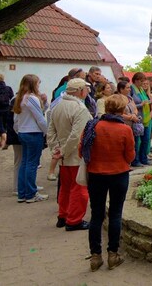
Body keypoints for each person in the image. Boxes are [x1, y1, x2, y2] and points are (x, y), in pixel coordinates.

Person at [82, 94, 135, 272]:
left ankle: (95, 256)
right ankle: (113, 254)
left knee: (96, 215)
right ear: (122, 110)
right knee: (115, 213)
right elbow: (130, 156)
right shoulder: (125, 129)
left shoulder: (92, 126)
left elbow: (82, 150)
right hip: (118, 174)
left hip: (96, 174)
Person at [48, 77, 93, 231]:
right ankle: (74, 220)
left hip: (63, 155)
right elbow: (77, 135)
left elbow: (51, 131)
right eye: (86, 89)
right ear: (80, 91)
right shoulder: (79, 108)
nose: (87, 91)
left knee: (65, 187)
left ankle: (63, 215)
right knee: (79, 187)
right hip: (75, 155)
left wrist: (56, 149)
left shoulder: (58, 106)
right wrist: (63, 151)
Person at [13, 74, 48, 203]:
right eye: (38, 83)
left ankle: (22, 193)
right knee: (32, 164)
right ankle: (31, 193)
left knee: (25, 163)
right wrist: (47, 132)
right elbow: (40, 118)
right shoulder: (31, 98)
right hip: (33, 132)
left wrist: (18, 130)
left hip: (23, 132)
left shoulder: (20, 97)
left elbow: (16, 120)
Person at [130, 73, 152, 165]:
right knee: (137, 141)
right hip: (137, 119)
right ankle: (135, 160)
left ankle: (143, 158)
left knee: (146, 140)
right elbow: (130, 105)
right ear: (136, 80)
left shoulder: (141, 89)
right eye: (141, 81)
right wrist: (141, 104)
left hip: (145, 118)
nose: (142, 83)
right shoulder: (132, 89)